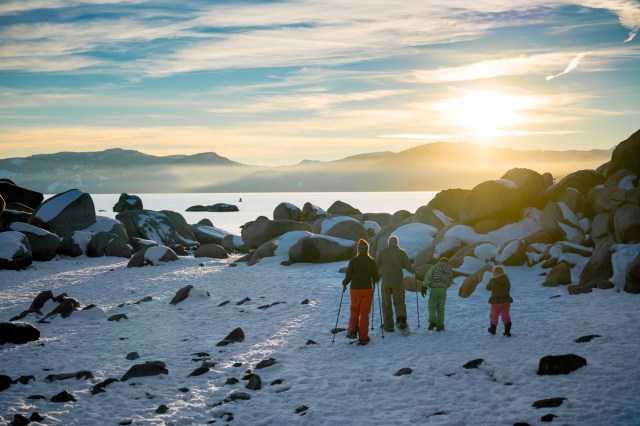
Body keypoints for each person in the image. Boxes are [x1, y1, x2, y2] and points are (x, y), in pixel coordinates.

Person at [342, 239, 379, 345]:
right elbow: (375, 277)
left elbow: (349, 276)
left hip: (355, 289)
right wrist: (376, 280)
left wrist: (344, 283)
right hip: (367, 289)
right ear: (367, 249)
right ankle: (363, 337)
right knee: (364, 314)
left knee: (354, 310)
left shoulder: (353, 260)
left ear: (358, 249)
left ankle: (352, 331)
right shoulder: (371, 261)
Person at [375, 235, 415, 332]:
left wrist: (375, 276)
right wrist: (415, 270)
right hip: (398, 282)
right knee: (399, 301)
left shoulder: (382, 252)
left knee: (386, 303)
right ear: (397, 243)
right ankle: (402, 318)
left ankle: (389, 326)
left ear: (389, 242)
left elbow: (376, 266)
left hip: (386, 282)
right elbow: (409, 267)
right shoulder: (402, 252)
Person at [421, 257, 454, 331]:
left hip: (434, 289)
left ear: (439, 261)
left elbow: (428, 277)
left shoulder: (434, 267)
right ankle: (440, 325)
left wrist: (424, 287)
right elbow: (451, 280)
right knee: (441, 308)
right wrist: (445, 286)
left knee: (432, 306)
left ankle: (433, 322)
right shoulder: (449, 270)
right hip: (443, 290)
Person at [486, 266, 513, 336]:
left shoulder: (493, 280)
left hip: (496, 301)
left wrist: (491, 281)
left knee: (494, 315)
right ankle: (507, 331)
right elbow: (509, 288)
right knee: (505, 315)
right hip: (506, 301)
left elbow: (488, 288)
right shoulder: (506, 279)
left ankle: (493, 329)